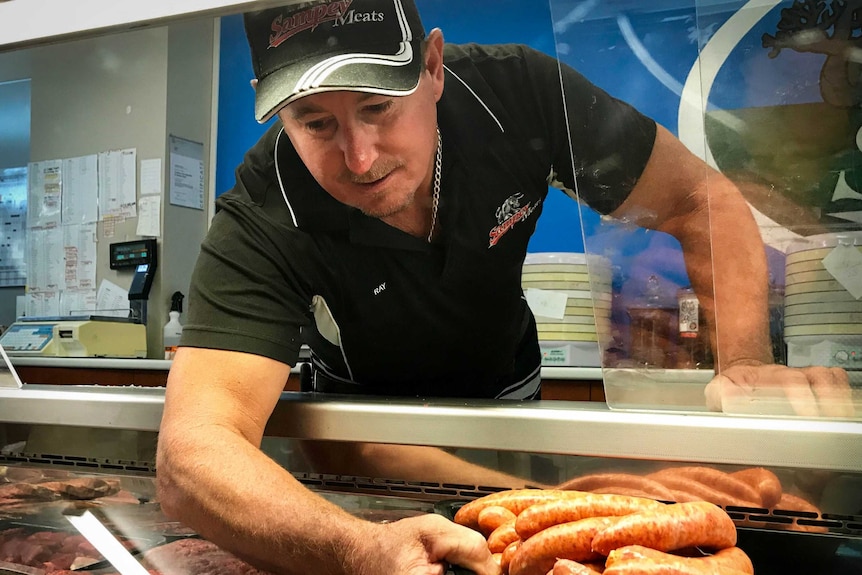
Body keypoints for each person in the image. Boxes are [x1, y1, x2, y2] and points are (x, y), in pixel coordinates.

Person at [156, 0, 852, 573]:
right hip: (366, 450)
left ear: (430, 68)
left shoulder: (514, 95)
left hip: (513, 413)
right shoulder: (265, 205)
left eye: (377, 107)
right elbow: (190, 457)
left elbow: (699, 200)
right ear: (277, 114)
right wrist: (359, 548)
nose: (359, 157)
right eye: (317, 123)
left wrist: (747, 363)